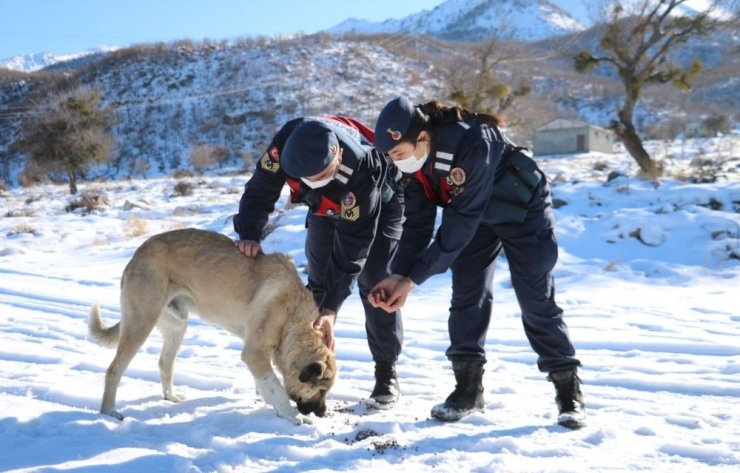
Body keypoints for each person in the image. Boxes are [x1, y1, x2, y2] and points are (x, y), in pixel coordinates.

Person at [368, 97, 585, 429]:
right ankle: (467, 391)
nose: (397, 162)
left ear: (422, 138)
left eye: (399, 154)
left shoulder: (472, 141)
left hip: (522, 210)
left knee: (535, 297)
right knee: (468, 295)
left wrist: (412, 282)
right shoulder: (413, 167)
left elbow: (459, 224)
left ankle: (568, 392)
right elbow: (417, 226)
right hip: (476, 220)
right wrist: (397, 274)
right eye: (391, 157)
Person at [234, 116, 404, 408]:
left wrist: (332, 309)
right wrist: (249, 232)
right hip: (323, 207)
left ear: (337, 152)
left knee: (375, 285)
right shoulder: (284, 149)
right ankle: (310, 364)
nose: (317, 180)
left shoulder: (362, 166)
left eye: (324, 173)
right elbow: (261, 188)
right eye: (310, 178)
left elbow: (354, 246)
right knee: (317, 285)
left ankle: (386, 370)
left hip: (378, 204)